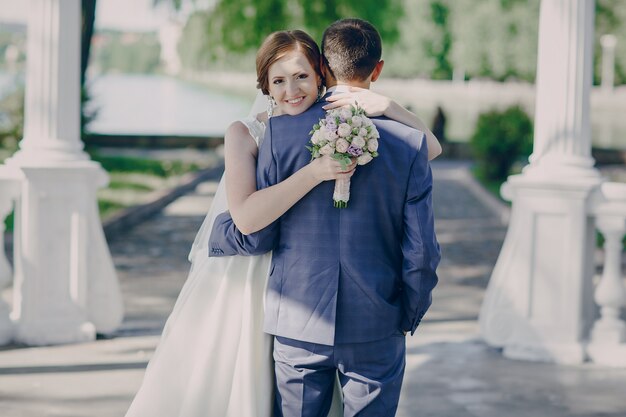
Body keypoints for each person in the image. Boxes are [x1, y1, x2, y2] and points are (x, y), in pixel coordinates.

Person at [125, 28, 440, 417]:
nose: (292, 89)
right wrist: (407, 313)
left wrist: (385, 105)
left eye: (301, 76)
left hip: (294, 313)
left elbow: (259, 234)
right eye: (279, 80)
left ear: (321, 71)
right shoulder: (404, 142)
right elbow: (421, 247)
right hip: (350, 313)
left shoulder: (281, 136)